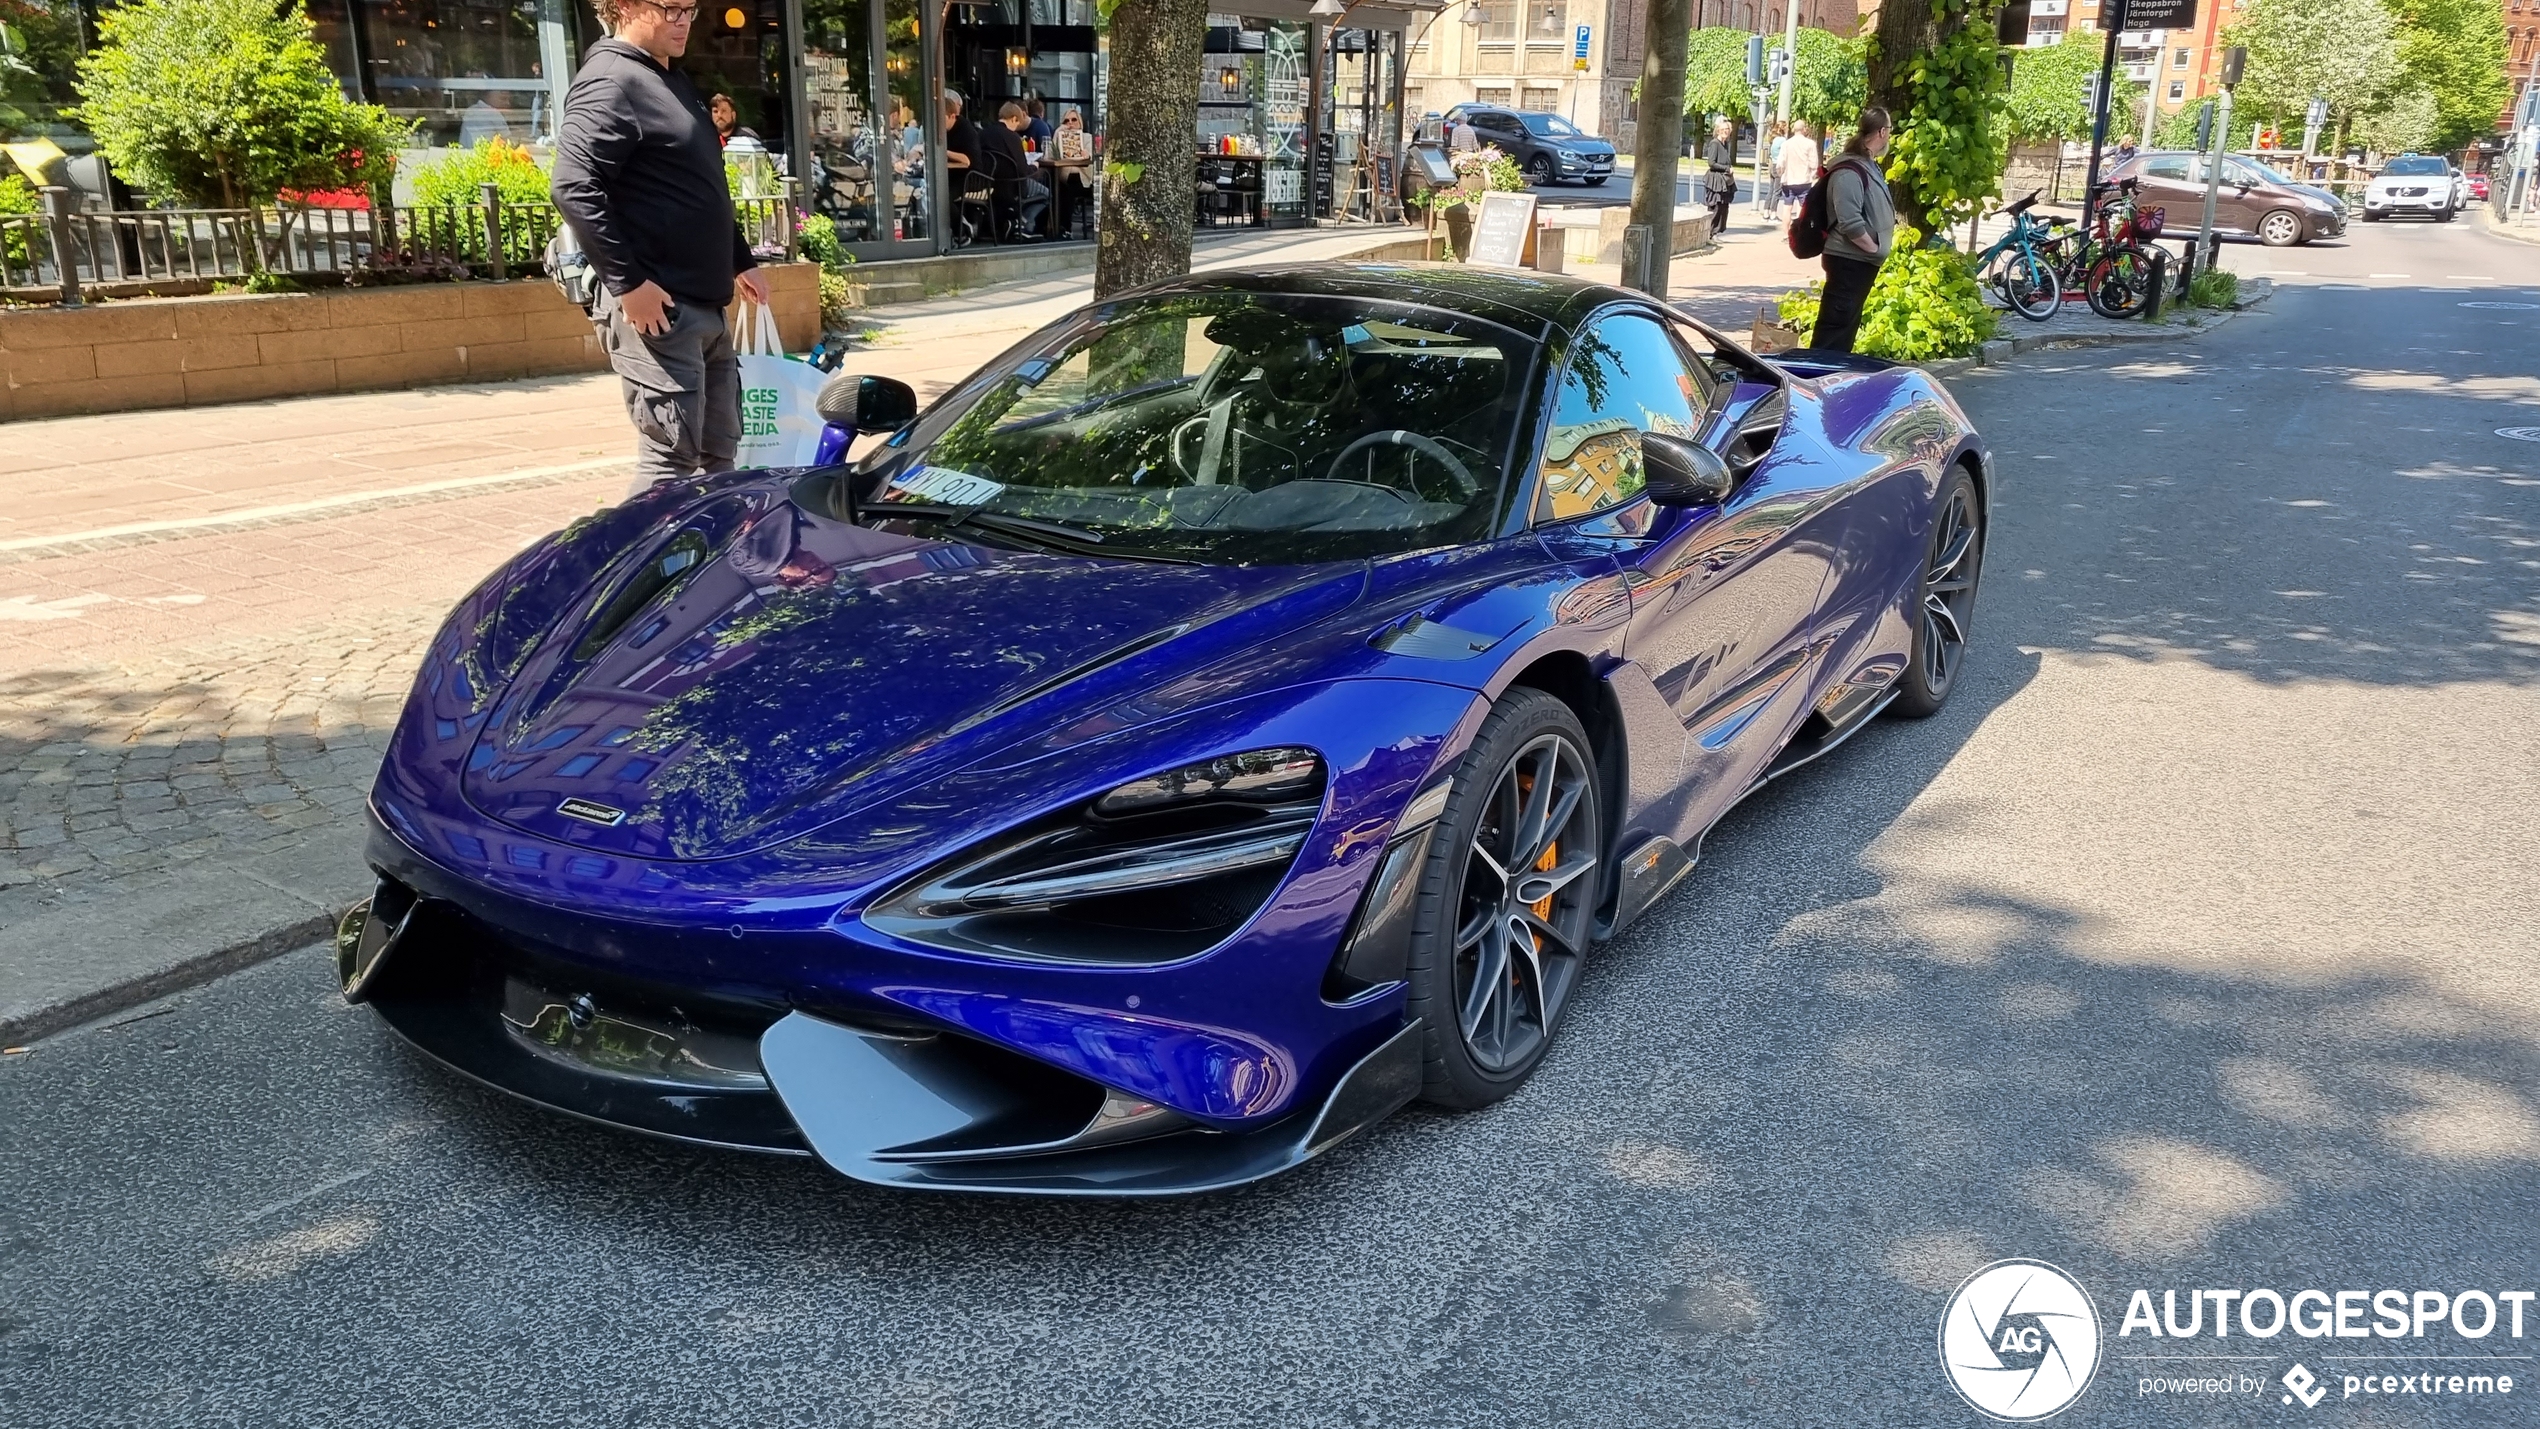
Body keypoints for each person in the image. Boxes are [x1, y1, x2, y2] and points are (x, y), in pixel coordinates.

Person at [551, 0, 768, 490]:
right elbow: (573, 186)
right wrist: (629, 284)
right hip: (660, 309)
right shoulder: (612, 79)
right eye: (670, 8)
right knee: (669, 461)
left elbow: (694, 184)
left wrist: (740, 261)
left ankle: (715, 558)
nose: (683, 20)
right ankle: (634, 564)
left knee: (718, 453)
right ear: (624, 6)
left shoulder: (668, 76)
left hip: (705, 305)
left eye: (689, 9)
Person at [1812, 105, 1894, 355]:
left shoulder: (1866, 164)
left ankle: (1830, 380)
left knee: (1843, 329)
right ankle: (1817, 380)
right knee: (1833, 331)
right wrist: (1874, 249)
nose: (1890, 135)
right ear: (1881, 131)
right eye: (1889, 129)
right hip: (1848, 261)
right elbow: (1850, 221)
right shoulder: (1849, 170)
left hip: (1858, 262)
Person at [983, 100, 1050, 240]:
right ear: (1014, 118)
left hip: (989, 185)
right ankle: (1022, 224)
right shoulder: (1012, 137)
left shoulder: (984, 133)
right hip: (1013, 187)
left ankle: (1017, 224)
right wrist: (1035, 166)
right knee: (1046, 193)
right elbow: (1023, 170)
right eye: (1017, 123)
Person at [1048, 105, 1095, 236]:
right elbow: (1049, 157)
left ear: (1080, 122)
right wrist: (1057, 133)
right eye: (1066, 121)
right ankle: (1053, 227)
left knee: (1067, 188)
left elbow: (1091, 157)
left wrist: (1085, 155)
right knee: (1053, 187)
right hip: (1062, 178)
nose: (1070, 123)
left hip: (1082, 179)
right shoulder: (1059, 137)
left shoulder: (1087, 137)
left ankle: (1065, 228)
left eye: (1074, 120)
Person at [1776, 118, 1819, 217]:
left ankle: (1786, 231)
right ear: (1804, 129)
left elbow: (1780, 164)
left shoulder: (1786, 144)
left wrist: (1781, 174)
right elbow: (1814, 164)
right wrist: (1811, 176)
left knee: (1787, 208)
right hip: (1804, 181)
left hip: (1788, 181)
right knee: (1802, 207)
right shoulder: (1810, 144)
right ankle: (1798, 230)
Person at [1703, 116, 1737, 235]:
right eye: (1722, 130)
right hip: (1715, 180)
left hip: (1725, 180)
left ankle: (1717, 231)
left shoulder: (1726, 144)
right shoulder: (1714, 144)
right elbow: (1711, 163)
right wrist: (1726, 168)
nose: (1725, 132)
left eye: (1727, 129)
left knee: (1724, 207)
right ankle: (1710, 233)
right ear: (1718, 131)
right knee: (1716, 207)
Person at [1763, 120, 1789, 217]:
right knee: (1777, 191)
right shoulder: (1783, 140)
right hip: (1779, 166)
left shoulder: (1773, 139)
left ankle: (1766, 212)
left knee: (1771, 189)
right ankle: (1773, 213)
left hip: (1772, 165)